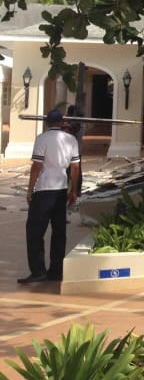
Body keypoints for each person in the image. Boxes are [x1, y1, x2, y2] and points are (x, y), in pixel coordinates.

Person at [18, 109, 81, 284]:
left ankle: (38, 271)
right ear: (62, 122)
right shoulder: (71, 139)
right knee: (59, 231)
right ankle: (56, 271)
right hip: (61, 188)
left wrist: (30, 190)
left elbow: (37, 166)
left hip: (44, 189)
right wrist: (73, 191)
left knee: (35, 231)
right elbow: (75, 167)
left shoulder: (42, 138)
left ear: (47, 122)